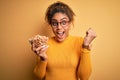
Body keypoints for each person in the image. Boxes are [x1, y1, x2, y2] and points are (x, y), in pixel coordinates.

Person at [31, 1, 96, 80]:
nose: (59, 27)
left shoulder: (80, 42)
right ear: (51, 24)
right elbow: (39, 76)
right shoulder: (45, 44)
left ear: (70, 23)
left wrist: (85, 47)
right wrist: (43, 59)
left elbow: (84, 77)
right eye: (55, 23)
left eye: (64, 22)